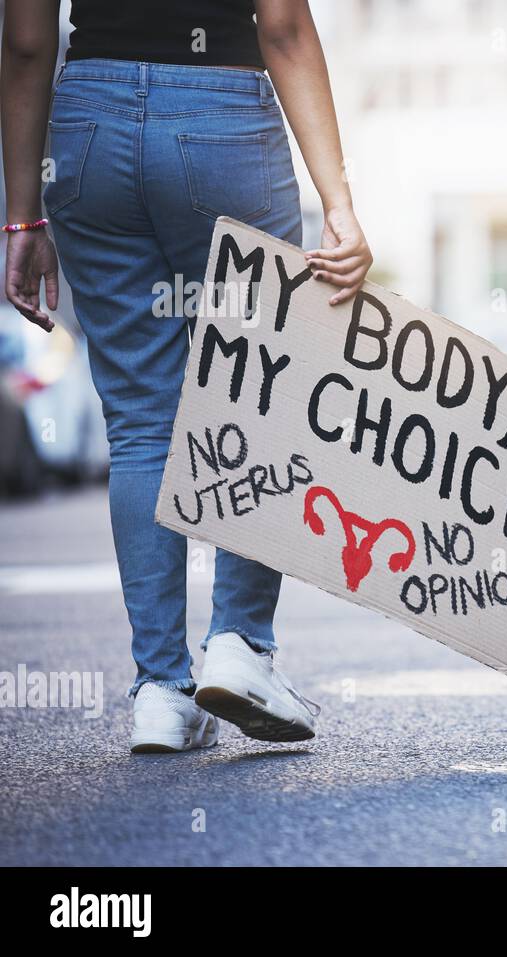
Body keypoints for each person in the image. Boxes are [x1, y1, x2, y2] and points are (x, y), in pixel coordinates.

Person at [2, 0, 372, 753]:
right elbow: (284, 25)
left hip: (89, 127)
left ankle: (162, 690)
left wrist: (21, 218)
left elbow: (28, 40)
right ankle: (240, 644)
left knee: (140, 420)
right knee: (257, 396)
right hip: (222, 120)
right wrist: (339, 203)